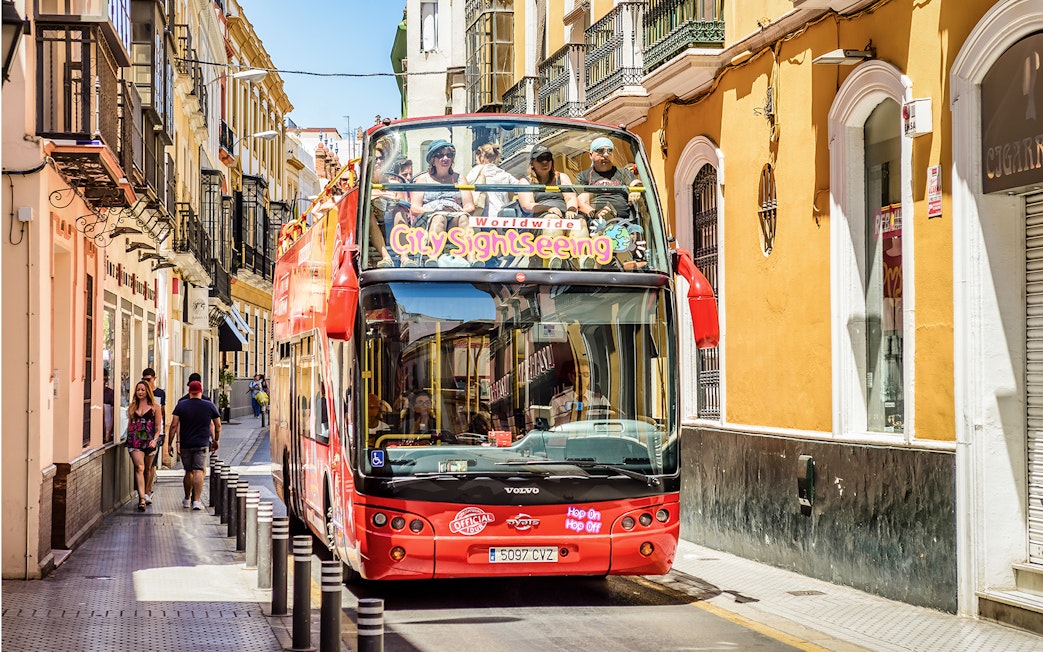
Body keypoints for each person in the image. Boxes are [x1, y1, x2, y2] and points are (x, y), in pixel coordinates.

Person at [576, 137, 646, 270]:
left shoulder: (623, 173)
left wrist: (635, 190)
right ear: (591, 155)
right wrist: (594, 213)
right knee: (600, 238)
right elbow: (581, 200)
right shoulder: (584, 176)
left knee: (634, 234)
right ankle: (593, 273)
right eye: (600, 151)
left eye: (609, 151)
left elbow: (634, 183)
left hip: (623, 221)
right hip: (597, 223)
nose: (606, 154)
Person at [408, 139, 476, 267]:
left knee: (464, 218)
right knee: (439, 218)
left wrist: (458, 212)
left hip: (454, 218)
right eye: (440, 155)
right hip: (428, 219)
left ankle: (472, 258)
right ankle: (432, 258)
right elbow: (415, 208)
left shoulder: (460, 179)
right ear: (432, 160)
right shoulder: (423, 179)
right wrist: (436, 212)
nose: (445, 158)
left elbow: (470, 206)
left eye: (449, 155)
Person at [517, 144, 587, 268]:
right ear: (532, 163)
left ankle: (584, 259)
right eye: (540, 159)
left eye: (547, 158)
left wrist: (571, 209)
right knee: (553, 220)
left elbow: (570, 197)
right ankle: (555, 257)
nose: (545, 162)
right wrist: (548, 209)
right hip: (541, 220)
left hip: (564, 215)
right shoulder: (525, 181)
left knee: (580, 222)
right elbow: (527, 205)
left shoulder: (561, 177)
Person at [168, 380, 221, 510]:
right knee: (198, 470)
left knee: (188, 471)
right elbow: (217, 425)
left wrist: (170, 443)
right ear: (201, 391)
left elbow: (174, 425)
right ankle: (196, 501)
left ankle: (187, 498)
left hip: (186, 443)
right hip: (202, 443)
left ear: (189, 392)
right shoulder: (209, 405)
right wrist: (216, 440)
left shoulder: (181, 405)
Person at [126, 380, 161, 511]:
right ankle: (141, 499)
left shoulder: (155, 407)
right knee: (139, 467)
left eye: (142, 390)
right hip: (135, 440)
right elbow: (130, 423)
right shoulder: (132, 407)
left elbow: (158, 427)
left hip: (149, 440)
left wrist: (155, 440)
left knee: (147, 469)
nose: (140, 392)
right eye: (138, 390)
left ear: (147, 391)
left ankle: (146, 492)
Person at [550, 360, 613, 426]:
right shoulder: (557, 400)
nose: (582, 379)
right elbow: (551, 428)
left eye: (586, 374)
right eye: (578, 374)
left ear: (590, 377)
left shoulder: (600, 399)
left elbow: (611, 422)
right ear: (570, 377)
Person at [465, 141, 517, 219]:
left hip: (482, 217)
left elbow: (463, 185)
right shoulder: (505, 175)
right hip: (501, 215)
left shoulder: (476, 170)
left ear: (481, 157)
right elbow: (521, 186)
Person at [141, 367, 166, 504]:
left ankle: (147, 491)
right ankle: (143, 491)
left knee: (151, 465)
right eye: (143, 380)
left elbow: (162, 412)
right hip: (142, 434)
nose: (146, 382)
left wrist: (163, 433)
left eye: (148, 380)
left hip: (156, 434)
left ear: (154, 378)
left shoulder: (160, 393)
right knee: (142, 466)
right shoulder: (141, 393)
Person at [103, 369, 115, 444]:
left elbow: (113, 415)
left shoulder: (110, 393)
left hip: (107, 430)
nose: (103, 381)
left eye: (105, 379)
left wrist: (108, 433)